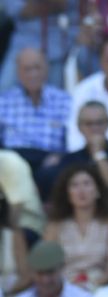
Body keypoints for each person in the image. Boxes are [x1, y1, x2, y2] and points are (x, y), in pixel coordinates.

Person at [0, 46, 73, 191]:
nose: (33, 74)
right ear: (18, 72)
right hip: (14, 158)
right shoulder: (4, 101)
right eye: (27, 69)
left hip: (50, 160)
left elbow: (73, 139)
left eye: (37, 68)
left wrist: (60, 156)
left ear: (46, 69)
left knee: (58, 172)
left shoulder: (65, 100)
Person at [45, 163, 108, 291]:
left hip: (101, 288)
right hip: (64, 289)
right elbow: (48, 265)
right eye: (74, 185)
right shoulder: (55, 226)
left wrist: (91, 286)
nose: (81, 190)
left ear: (97, 190)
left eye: (87, 184)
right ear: (67, 193)